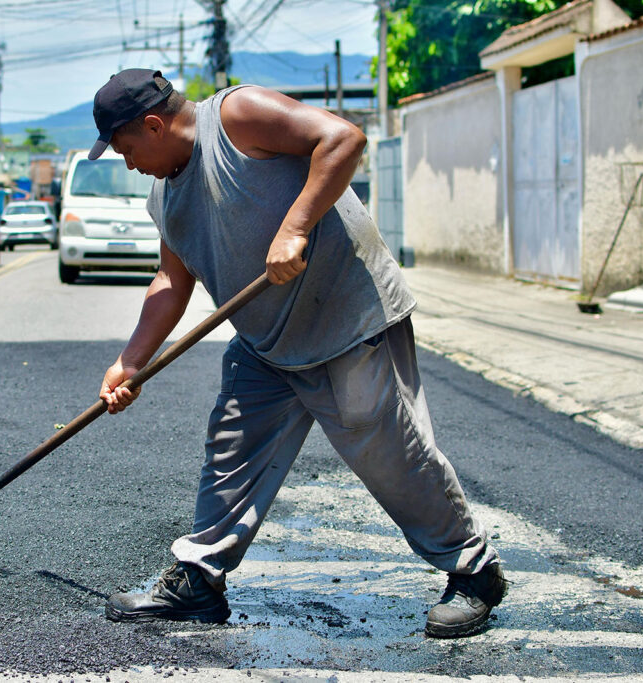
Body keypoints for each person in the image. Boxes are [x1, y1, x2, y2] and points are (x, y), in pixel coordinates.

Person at [89, 68, 508, 639]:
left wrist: (295, 226)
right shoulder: (165, 197)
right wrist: (131, 361)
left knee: (393, 454)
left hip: (347, 319)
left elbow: (342, 138)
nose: (128, 163)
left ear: (154, 124)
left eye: (126, 148)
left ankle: (474, 569)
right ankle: (199, 579)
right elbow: (171, 279)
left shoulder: (236, 116)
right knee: (231, 452)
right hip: (266, 344)